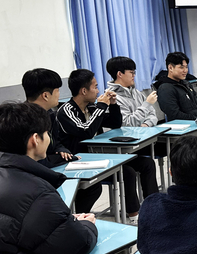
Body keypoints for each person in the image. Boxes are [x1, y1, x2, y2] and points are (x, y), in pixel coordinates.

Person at [0, 102, 108, 254]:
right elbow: (74, 247)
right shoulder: (34, 190)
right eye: (48, 134)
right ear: (35, 140)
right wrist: (85, 225)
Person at [54, 69, 158, 223]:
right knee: (127, 172)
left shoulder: (90, 107)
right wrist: (101, 106)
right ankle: (134, 216)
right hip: (80, 160)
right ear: (84, 90)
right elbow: (86, 131)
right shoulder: (67, 111)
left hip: (101, 156)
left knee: (147, 163)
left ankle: (154, 207)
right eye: (95, 87)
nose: (98, 91)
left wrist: (114, 105)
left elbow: (114, 124)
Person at [22, 68, 103, 214]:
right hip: (34, 175)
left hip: (52, 166)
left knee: (93, 186)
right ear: (46, 95)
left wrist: (63, 151)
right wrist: (60, 158)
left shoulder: (50, 115)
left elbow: (56, 141)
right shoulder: (24, 121)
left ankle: (73, 217)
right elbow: (32, 160)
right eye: (57, 90)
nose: (60, 94)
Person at [153, 52, 197, 123]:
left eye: (186, 67)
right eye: (181, 67)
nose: (185, 70)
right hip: (185, 128)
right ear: (170, 68)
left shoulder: (186, 84)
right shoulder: (165, 88)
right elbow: (174, 115)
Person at [106, 56, 158, 128]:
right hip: (127, 137)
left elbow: (152, 115)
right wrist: (147, 104)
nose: (134, 75)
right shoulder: (113, 98)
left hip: (145, 134)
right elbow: (127, 123)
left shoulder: (137, 93)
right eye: (131, 72)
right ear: (120, 74)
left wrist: (146, 124)